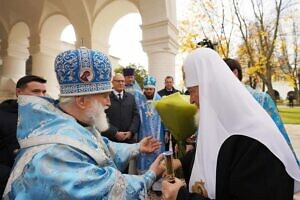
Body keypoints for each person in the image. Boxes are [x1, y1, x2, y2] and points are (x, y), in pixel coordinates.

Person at [3, 48, 164, 199]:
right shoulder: (55, 153)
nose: (108, 102)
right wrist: (150, 175)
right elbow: (102, 188)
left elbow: (100, 146)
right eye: (104, 95)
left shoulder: (71, 123)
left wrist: (137, 147)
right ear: (81, 100)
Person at [162, 48, 300, 200]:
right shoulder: (225, 124)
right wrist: (180, 162)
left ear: (210, 88)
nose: (191, 100)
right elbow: (211, 151)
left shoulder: (255, 143)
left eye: (192, 91)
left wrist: (181, 197)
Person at [223, 58, 294, 151]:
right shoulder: (217, 102)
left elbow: (279, 133)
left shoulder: (262, 99)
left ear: (235, 73)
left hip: (260, 155)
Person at [0, 75, 47, 196]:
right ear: (19, 92)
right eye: (35, 91)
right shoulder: (2, 116)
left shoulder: (49, 118)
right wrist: (11, 178)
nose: (41, 96)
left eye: (44, 92)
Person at [137, 75, 166, 175]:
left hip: (158, 134)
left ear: (154, 89)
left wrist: (166, 132)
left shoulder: (160, 100)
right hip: (143, 133)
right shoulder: (138, 101)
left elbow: (165, 117)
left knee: (158, 155)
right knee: (144, 153)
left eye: (151, 89)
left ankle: (157, 185)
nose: (149, 91)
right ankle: (145, 182)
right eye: (147, 89)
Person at [102, 73, 140, 144]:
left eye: (122, 81)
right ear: (112, 82)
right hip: (111, 140)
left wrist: (131, 132)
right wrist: (115, 133)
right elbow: (102, 117)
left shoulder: (131, 98)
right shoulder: (106, 97)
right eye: (118, 81)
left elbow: (136, 116)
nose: (121, 83)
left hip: (128, 140)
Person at [157, 76, 180, 151]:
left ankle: (175, 158)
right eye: (167, 82)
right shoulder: (159, 94)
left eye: (170, 82)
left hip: (175, 121)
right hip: (164, 120)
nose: (169, 84)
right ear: (165, 83)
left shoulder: (178, 93)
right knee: (165, 140)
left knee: (175, 141)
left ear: (173, 83)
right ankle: (165, 158)